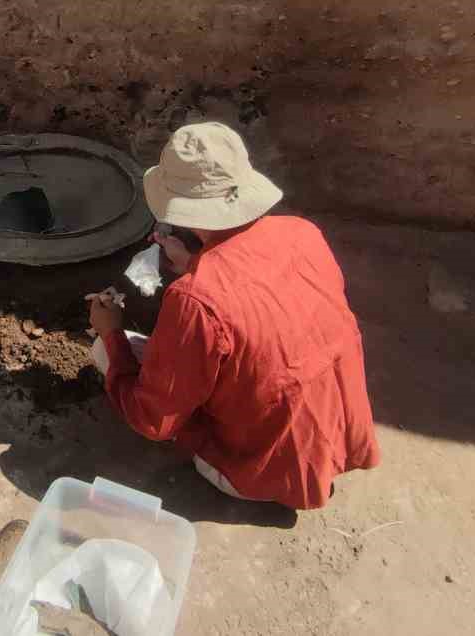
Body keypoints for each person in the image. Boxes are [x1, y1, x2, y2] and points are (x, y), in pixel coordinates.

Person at [87, 121, 380, 510]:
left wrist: (111, 333)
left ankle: (232, 474)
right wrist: (197, 263)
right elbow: (262, 302)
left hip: (260, 471)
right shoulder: (302, 232)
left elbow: (153, 420)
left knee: (104, 355)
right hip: (336, 439)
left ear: (183, 208)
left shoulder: (195, 299)